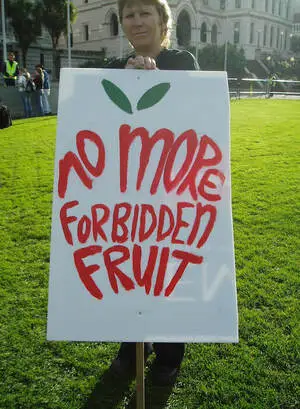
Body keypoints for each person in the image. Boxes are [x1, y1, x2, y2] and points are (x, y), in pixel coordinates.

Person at [106, 0, 199, 387]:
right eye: (130, 14)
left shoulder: (183, 63)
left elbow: (196, 119)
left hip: (171, 191)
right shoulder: (110, 70)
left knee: (165, 269)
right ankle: (131, 349)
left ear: (163, 21)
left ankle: (168, 355)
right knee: (129, 268)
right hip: (126, 192)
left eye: (146, 13)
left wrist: (156, 82)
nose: (137, 20)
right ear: (123, 23)